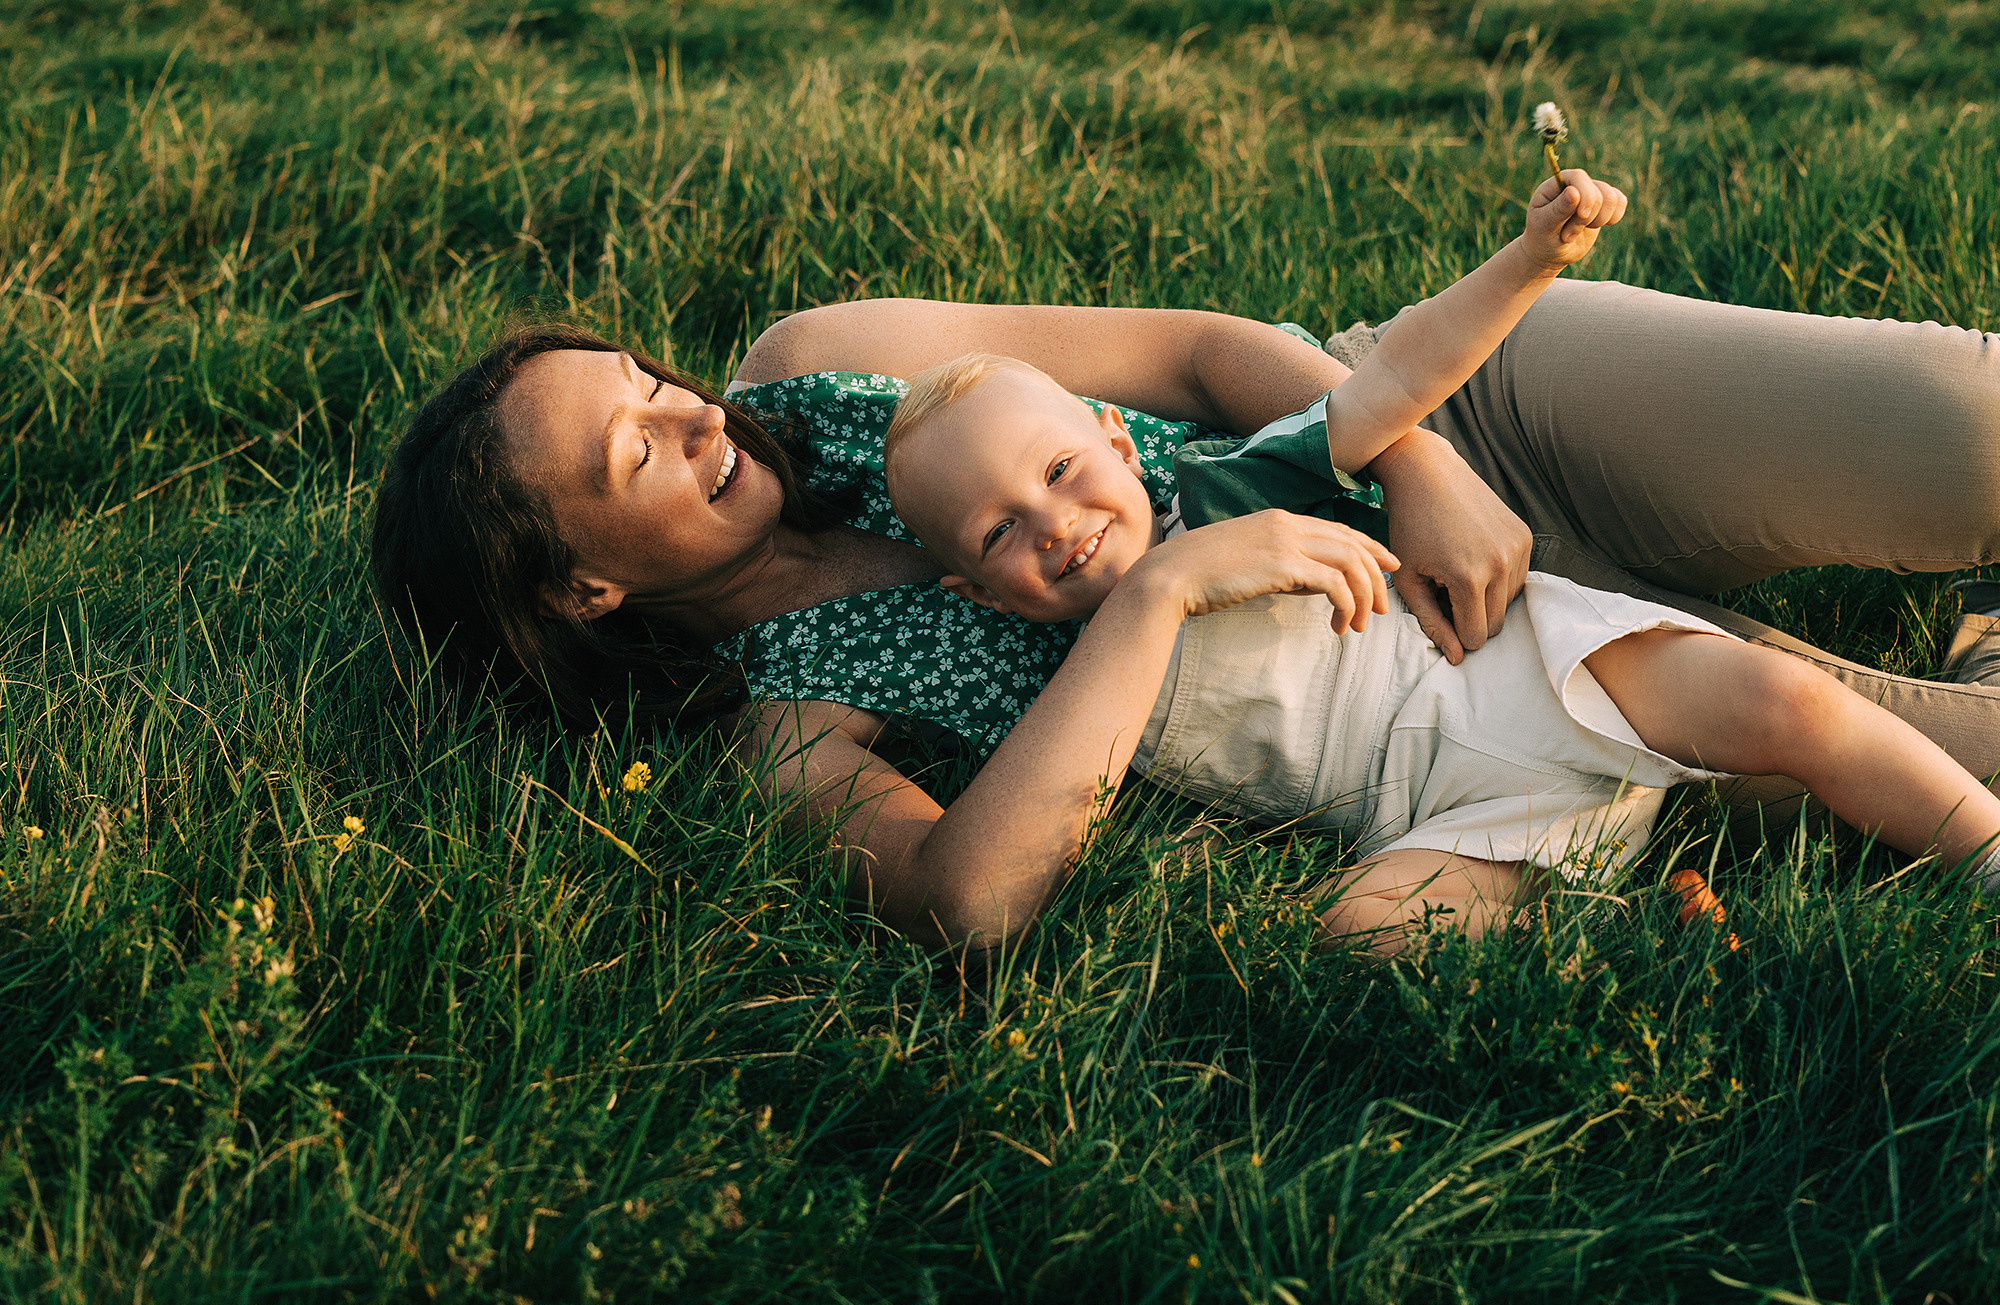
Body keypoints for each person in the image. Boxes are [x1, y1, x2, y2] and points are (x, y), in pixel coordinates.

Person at [371, 164, 2000, 957]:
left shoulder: (820, 362)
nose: (690, 413)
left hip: (1424, 414)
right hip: (1431, 690)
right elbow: (965, 904)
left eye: (650, 379)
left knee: (1969, 422)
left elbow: (1210, 351)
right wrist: (1151, 597)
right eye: (634, 453)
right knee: (1936, 754)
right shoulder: (787, 727)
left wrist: (1426, 466)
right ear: (582, 587)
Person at [879, 343, 2000, 950]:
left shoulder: (1221, 491)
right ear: (978, 594)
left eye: (1060, 470)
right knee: (1352, 932)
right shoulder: (1089, 691)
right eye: (998, 533)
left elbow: (1387, 388)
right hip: (1456, 817)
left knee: (1790, 706)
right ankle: (1629, 923)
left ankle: (1987, 849)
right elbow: (1066, 833)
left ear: (1120, 442)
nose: (1053, 524)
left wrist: (1529, 256)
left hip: (1530, 669)